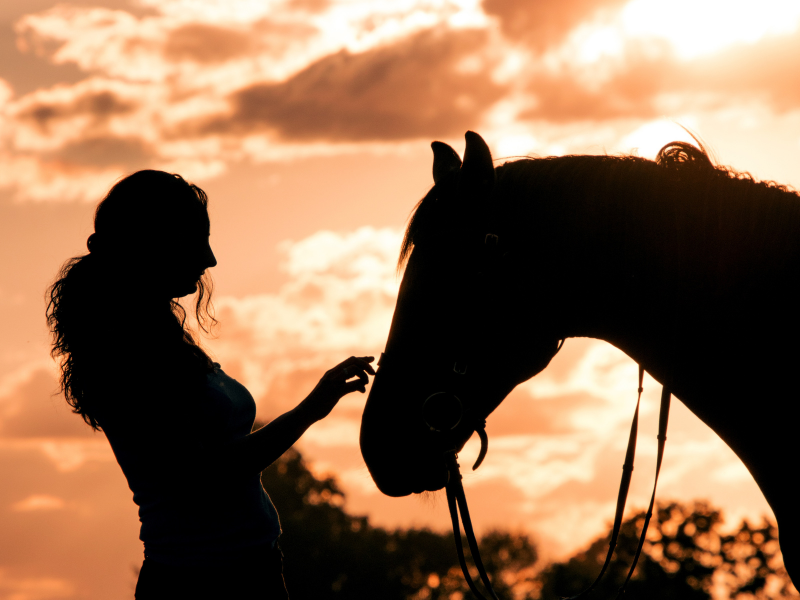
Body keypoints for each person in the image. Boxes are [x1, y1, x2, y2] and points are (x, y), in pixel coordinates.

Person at [45, 170, 375, 599]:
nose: (211, 258)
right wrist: (312, 407)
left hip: (246, 569)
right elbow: (211, 472)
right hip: (203, 582)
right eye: (197, 238)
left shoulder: (160, 337)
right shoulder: (127, 355)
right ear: (156, 241)